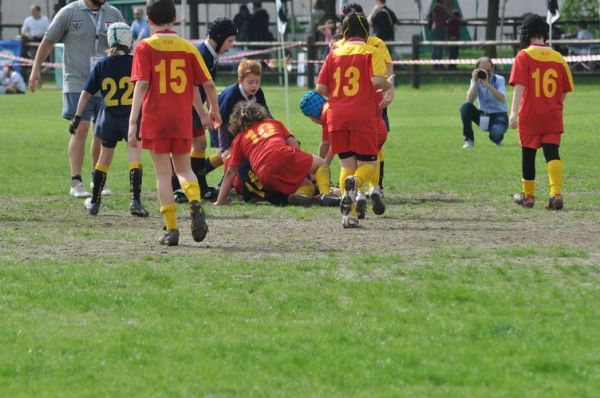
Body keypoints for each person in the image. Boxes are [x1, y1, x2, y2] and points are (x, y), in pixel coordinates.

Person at [128, 0, 221, 246]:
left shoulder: (144, 47)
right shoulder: (188, 47)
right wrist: (210, 111)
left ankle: (171, 229)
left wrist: (132, 120)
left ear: (148, 20)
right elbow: (203, 84)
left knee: (162, 173)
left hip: (155, 118)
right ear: (175, 18)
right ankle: (194, 199)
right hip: (181, 119)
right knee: (184, 169)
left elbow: (143, 84)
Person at [28, 0, 125, 198]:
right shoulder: (68, 12)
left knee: (102, 132)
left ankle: (97, 179)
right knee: (80, 128)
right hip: (76, 81)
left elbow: (125, 43)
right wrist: (36, 69)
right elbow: (48, 40)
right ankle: (76, 181)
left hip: (105, 83)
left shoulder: (113, 13)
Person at [316, 12, 392, 228]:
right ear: (366, 30)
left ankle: (348, 217)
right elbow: (377, 80)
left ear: (344, 31)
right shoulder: (371, 51)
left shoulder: (334, 52)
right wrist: (388, 84)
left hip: (336, 115)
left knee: (345, 165)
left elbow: (320, 88)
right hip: (362, 114)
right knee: (368, 161)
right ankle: (356, 183)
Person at [69, 22, 148, 218]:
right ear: (128, 40)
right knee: (134, 157)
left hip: (109, 118)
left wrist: (77, 117)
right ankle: (136, 201)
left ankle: (95, 202)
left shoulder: (102, 64)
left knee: (104, 159)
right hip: (131, 117)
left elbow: (85, 94)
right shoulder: (135, 62)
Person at [215, 102, 336, 207]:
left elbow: (230, 172)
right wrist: (301, 168)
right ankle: (325, 195)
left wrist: (220, 201)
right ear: (259, 113)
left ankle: (299, 196)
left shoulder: (239, 138)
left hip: (263, 174)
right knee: (321, 164)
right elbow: (294, 145)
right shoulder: (274, 123)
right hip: (282, 154)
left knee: (306, 185)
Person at [509, 13, 574, 210]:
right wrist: (555, 104)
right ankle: (555, 194)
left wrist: (513, 112)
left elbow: (519, 86)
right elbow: (565, 89)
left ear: (526, 34)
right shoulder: (558, 57)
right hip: (553, 115)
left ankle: (528, 197)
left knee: (528, 154)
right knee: (552, 153)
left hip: (530, 114)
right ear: (544, 34)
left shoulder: (523, 56)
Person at [172, 17, 237, 204]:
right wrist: (203, 114)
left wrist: (211, 107)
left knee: (198, 144)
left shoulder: (211, 55)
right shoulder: (203, 54)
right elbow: (193, 86)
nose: (230, 46)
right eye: (230, 41)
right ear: (219, 38)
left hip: (193, 105)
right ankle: (180, 186)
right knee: (186, 146)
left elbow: (208, 84)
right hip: (185, 105)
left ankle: (198, 185)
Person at [460, 57, 508, 148]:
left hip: (499, 116)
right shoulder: (475, 80)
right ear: (477, 70)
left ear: (492, 69)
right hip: (482, 115)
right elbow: (469, 101)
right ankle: (469, 140)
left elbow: (502, 98)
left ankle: (497, 135)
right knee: (465, 107)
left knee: (495, 136)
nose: (486, 73)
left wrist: (487, 84)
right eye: (483, 70)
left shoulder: (499, 79)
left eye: (488, 70)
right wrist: (474, 82)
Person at [21, 4, 50, 79]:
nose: (32, 12)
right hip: (32, 40)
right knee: (33, 56)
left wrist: (42, 34)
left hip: (43, 40)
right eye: (31, 10)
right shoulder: (28, 20)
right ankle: (35, 69)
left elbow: (49, 30)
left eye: (33, 10)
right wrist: (28, 35)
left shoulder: (45, 19)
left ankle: (45, 65)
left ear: (38, 11)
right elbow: (23, 31)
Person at [429, 0, 456, 69]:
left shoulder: (435, 7)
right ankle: (439, 65)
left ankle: (435, 65)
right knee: (439, 48)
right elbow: (449, 16)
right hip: (439, 28)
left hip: (435, 29)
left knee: (435, 47)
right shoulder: (440, 8)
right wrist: (459, 20)